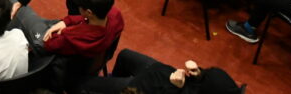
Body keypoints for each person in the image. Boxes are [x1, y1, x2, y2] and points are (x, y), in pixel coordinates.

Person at [8, 0, 124, 90]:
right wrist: (66, 21)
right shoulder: (115, 16)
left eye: (80, 6)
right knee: (47, 22)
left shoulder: (75, 36)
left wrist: (64, 29)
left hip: (48, 42)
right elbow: (83, 19)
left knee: (14, 4)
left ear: (89, 12)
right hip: (78, 48)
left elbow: (49, 44)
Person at [85, 52, 241, 94]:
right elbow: (206, 79)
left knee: (86, 83)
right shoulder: (224, 86)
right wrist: (197, 72)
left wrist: (173, 87)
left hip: (142, 88)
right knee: (125, 55)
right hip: (157, 72)